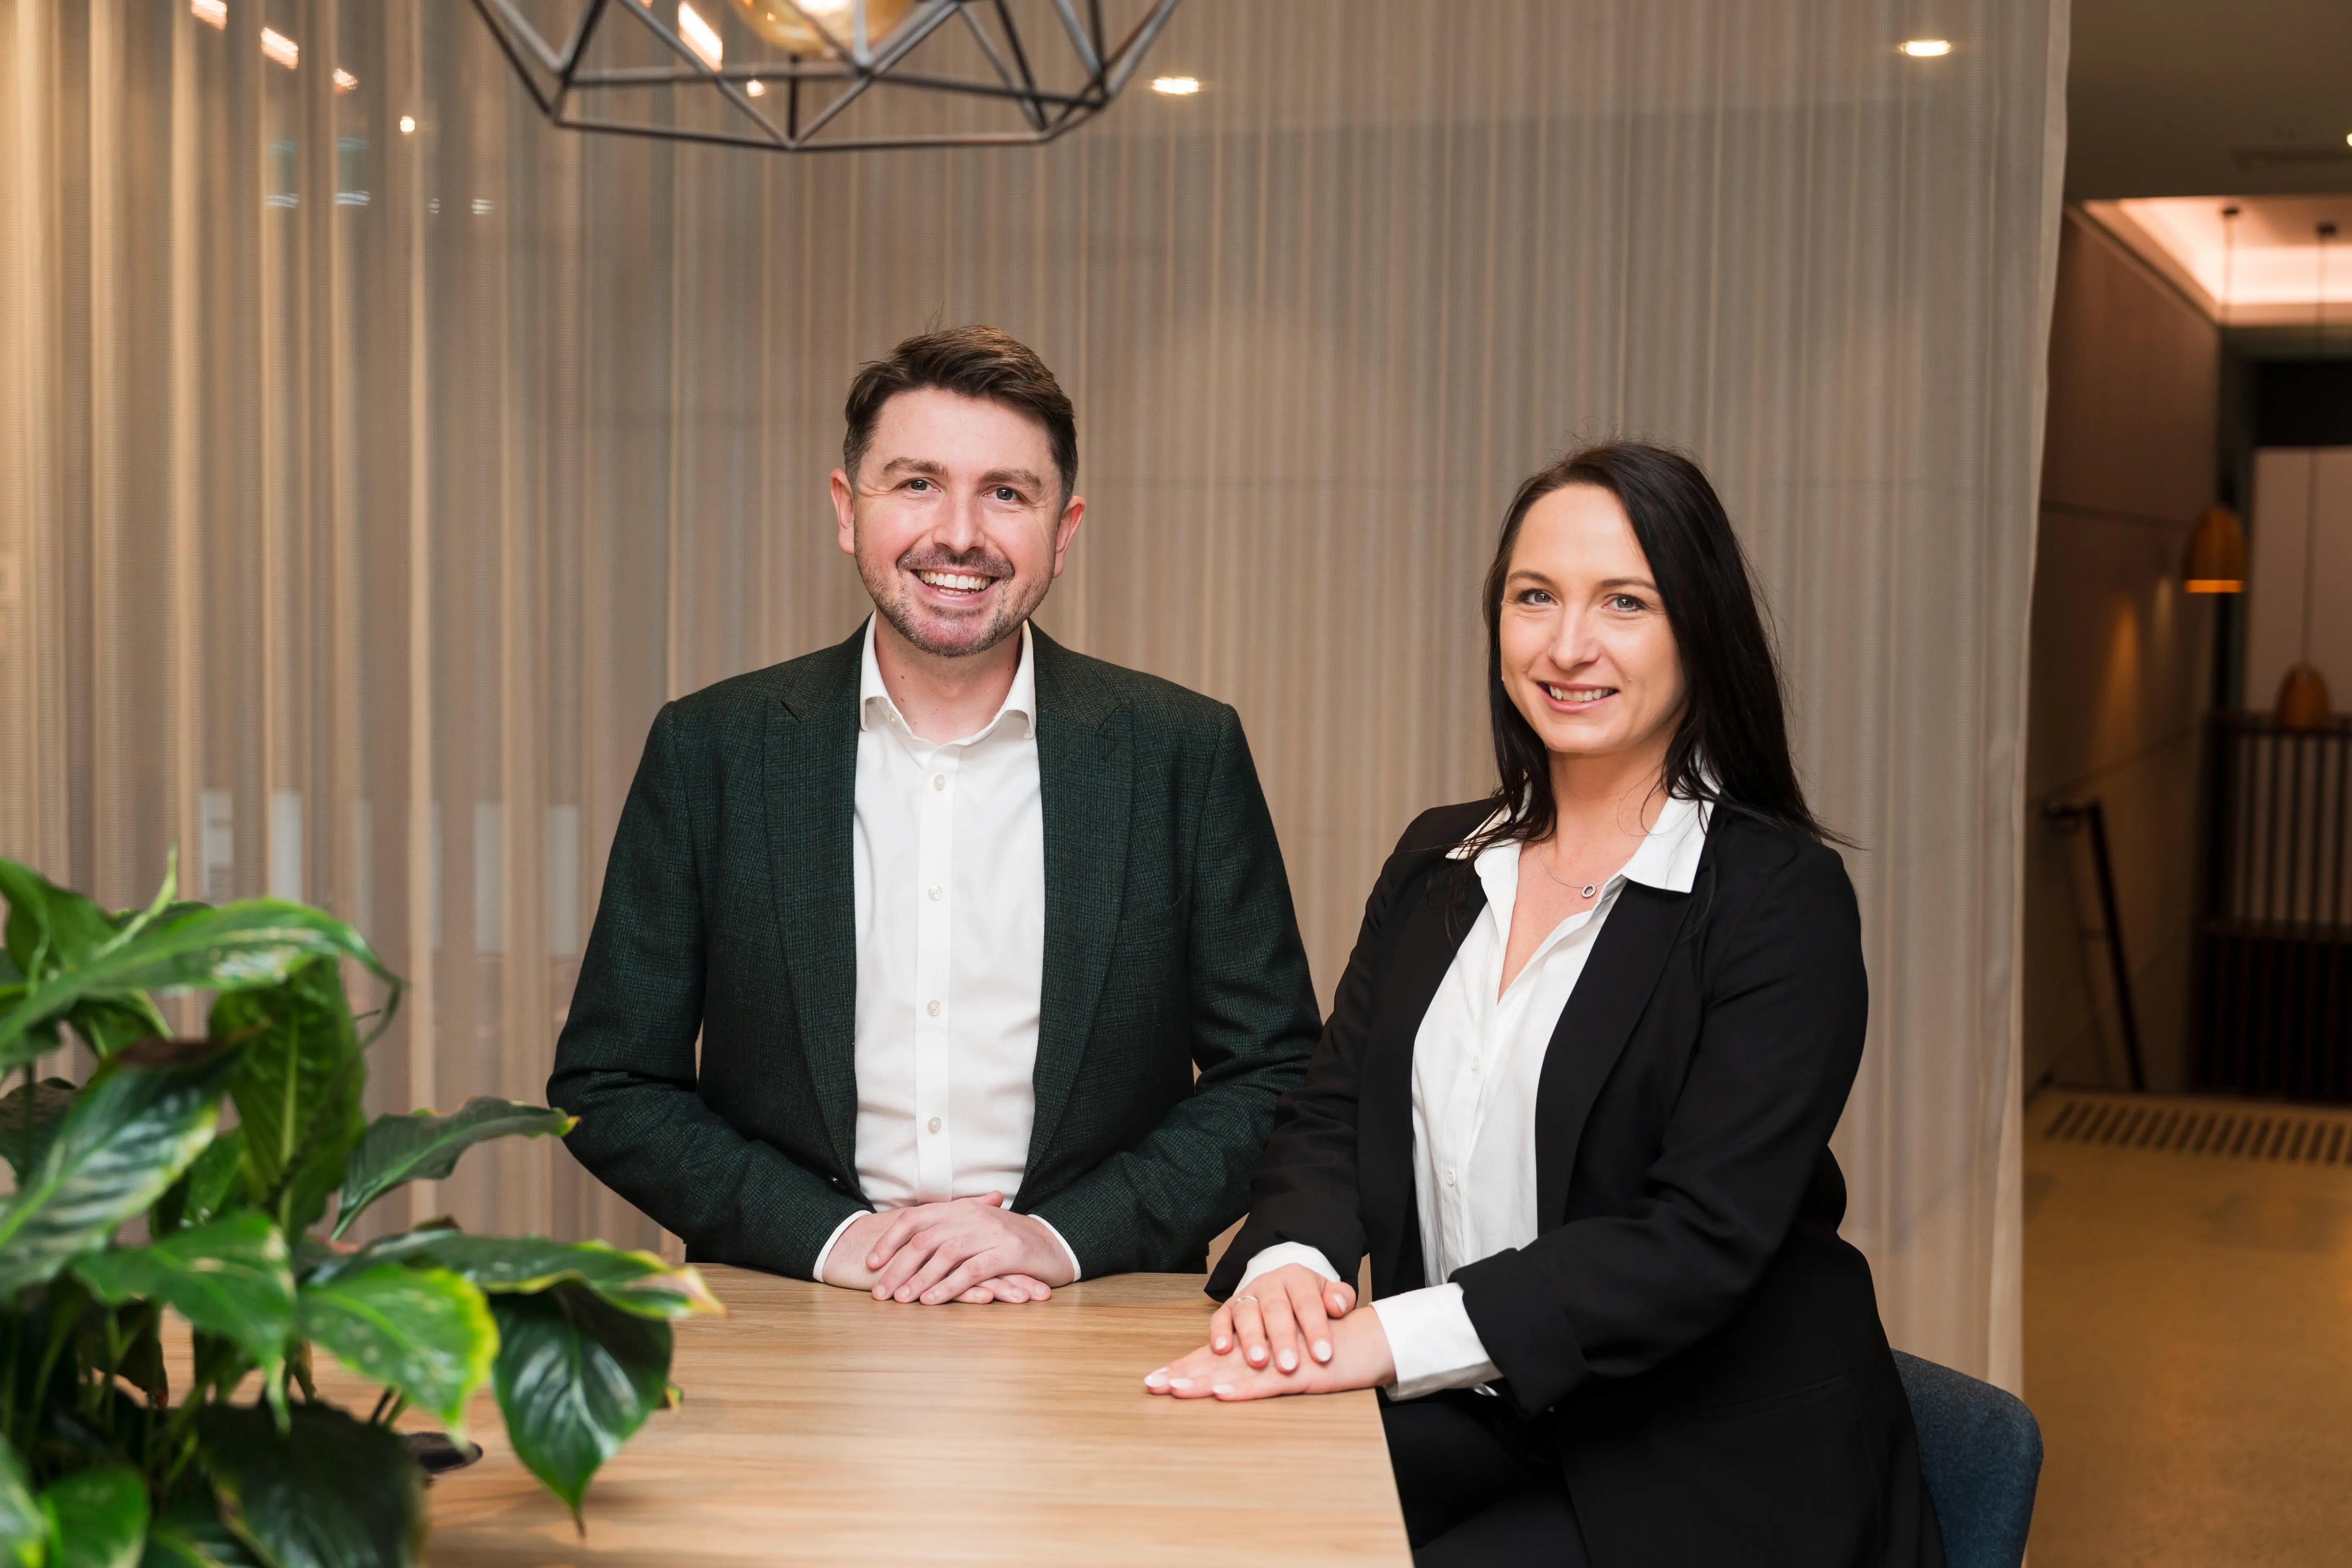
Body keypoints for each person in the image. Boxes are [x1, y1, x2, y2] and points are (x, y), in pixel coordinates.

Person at [1145, 443, 1943, 1567]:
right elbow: (1329, 1112)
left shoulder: (1777, 899)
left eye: (1625, 601)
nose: (1569, 646)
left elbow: (1696, 1237)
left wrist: (1383, 1336)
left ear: (1698, 630)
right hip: (1489, 1413)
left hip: (1707, 1462)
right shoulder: (1440, 859)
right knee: (1180, 1502)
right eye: (1535, 598)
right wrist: (1292, 1267)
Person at [551, 326, 1320, 1306]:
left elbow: (1277, 1073)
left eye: (1007, 492)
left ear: (1064, 530)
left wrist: (1060, 1236)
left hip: (1094, 1319)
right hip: (792, 1314)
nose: (959, 532)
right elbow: (611, 1086)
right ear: (847, 508)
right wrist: (833, 1242)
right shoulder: (713, 749)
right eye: (916, 482)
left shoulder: (1183, 752)